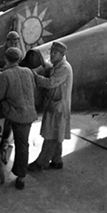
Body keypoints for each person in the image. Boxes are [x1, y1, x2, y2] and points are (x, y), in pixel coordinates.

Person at [0, 47, 37, 190]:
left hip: (17, 116)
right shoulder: (28, 71)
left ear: (6, 59)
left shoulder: (6, 75)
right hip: (29, 113)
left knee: (22, 145)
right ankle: (4, 146)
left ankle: (21, 177)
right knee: (22, 142)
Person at [29, 40, 73, 171]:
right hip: (56, 105)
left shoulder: (64, 68)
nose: (52, 55)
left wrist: (34, 76)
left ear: (61, 54)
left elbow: (50, 83)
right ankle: (56, 160)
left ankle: (41, 163)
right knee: (57, 134)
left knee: (51, 136)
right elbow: (51, 69)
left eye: (54, 53)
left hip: (58, 107)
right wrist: (44, 64)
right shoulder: (58, 65)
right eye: (51, 52)